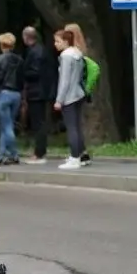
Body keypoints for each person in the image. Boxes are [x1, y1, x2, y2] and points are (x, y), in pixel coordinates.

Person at [20, 26, 58, 165]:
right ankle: (40, 151)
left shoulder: (35, 52)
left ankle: (39, 153)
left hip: (37, 92)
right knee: (39, 122)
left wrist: (23, 73)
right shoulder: (41, 49)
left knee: (38, 123)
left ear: (26, 37)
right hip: (42, 91)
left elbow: (35, 72)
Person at [53, 30, 87, 170]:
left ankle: (74, 158)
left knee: (71, 127)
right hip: (78, 93)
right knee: (77, 126)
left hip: (69, 97)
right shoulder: (77, 54)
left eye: (58, 41)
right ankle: (80, 155)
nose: (55, 44)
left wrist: (59, 100)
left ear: (66, 42)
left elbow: (64, 80)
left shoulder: (66, 56)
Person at [0, 32, 24, 165]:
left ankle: (14, 154)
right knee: (7, 124)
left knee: (6, 125)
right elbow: (22, 78)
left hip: (3, 93)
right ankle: (1, 154)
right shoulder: (20, 60)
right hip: (16, 95)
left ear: (1, 44)